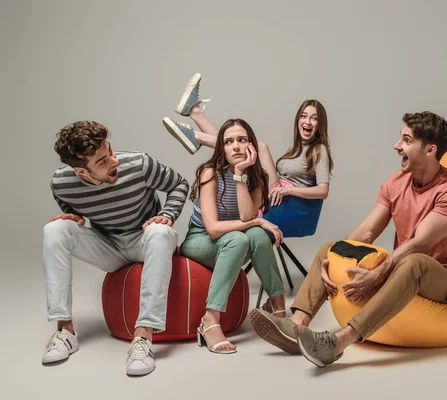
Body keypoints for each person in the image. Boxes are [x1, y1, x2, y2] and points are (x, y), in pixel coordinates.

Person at [249, 111, 447, 367]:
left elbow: (419, 243)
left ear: (430, 150)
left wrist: (378, 274)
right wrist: (332, 258)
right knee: (329, 247)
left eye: (407, 140)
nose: (396, 145)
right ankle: (296, 326)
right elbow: (366, 232)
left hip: (445, 279)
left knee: (415, 262)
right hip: (401, 269)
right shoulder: (396, 183)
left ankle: (337, 343)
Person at [42, 121, 189, 376]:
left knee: (161, 231)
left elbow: (179, 184)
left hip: (146, 240)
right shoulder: (61, 182)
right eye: (102, 161)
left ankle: (143, 337)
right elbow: (66, 201)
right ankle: (65, 332)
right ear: (82, 173)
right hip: (108, 246)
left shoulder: (138, 163)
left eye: (110, 151)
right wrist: (73, 215)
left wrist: (168, 213)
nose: (113, 161)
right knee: (53, 230)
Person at [178, 117, 287, 354]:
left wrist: (240, 175)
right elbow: (213, 229)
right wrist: (258, 220)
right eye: (228, 142)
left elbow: (247, 218)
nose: (235, 146)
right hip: (200, 239)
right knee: (245, 235)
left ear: (251, 146)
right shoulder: (210, 173)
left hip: (235, 238)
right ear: (221, 148)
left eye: (242, 140)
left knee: (257, 236)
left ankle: (278, 305)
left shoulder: (258, 178)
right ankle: (210, 319)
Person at [161, 73, 334, 208]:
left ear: (320, 124)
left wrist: (288, 190)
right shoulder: (297, 149)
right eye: (303, 116)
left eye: (314, 118)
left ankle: (197, 132)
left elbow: (323, 191)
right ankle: (195, 113)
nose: (307, 122)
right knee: (236, 142)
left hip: (282, 200)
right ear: (298, 120)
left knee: (259, 147)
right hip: (274, 192)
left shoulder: (319, 150)